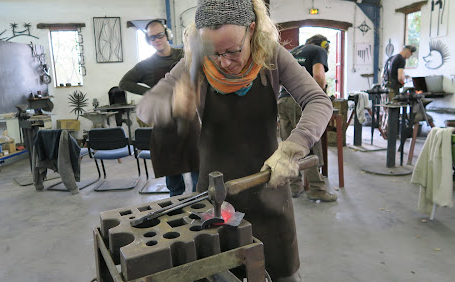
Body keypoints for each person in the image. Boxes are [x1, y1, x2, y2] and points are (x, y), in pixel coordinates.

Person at [137, 1, 332, 281]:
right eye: (215, 53)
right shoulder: (195, 62)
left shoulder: (273, 57)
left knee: (282, 273)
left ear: (251, 30)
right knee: (218, 272)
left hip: (269, 189)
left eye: (233, 51)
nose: (224, 62)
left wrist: (294, 146)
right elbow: (147, 107)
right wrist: (171, 104)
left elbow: (318, 101)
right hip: (215, 200)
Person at [119, 19, 199, 196]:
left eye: (160, 35)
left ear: (167, 35)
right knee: (174, 185)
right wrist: (149, 92)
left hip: (190, 122)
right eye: (151, 38)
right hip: (165, 127)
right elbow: (124, 82)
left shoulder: (184, 56)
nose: (156, 40)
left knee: (199, 180)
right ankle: (176, 214)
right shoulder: (146, 65)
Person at [278, 35, 337, 202]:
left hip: (282, 100)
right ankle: (317, 189)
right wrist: (318, 99)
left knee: (289, 144)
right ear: (323, 45)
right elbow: (318, 76)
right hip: (301, 101)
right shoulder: (318, 51)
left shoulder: (291, 51)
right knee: (308, 144)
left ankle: (294, 186)